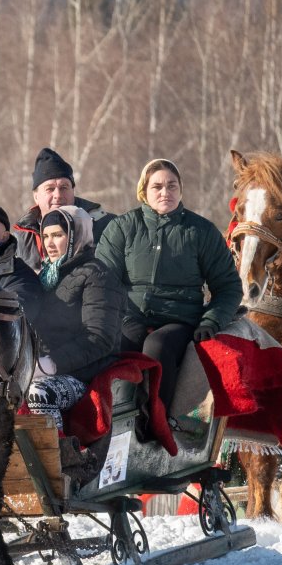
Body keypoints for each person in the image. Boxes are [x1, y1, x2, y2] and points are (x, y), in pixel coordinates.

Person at [95, 158, 242, 414]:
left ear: (181, 190)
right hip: (130, 315)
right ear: (144, 191)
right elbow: (103, 281)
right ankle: (107, 420)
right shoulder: (122, 227)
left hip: (179, 319)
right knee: (115, 342)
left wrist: (211, 321)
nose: (166, 193)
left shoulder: (201, 232)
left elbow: (228, 286)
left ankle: (155, 421)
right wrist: (118, 317)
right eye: (158, 187)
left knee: (157, 345)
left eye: (172, 186)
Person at [25, 205, 124, 430]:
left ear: (76, 235)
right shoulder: (45, 277)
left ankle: (60, 458)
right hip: (42, 368)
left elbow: (100, 337)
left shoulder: (98, 276)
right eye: (46, 236)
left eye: (58, 235)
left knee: (38, 393)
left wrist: (51, 364)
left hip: (85, 373)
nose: (50, 243)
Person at [12, 147, 112, 272]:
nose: (58, 195)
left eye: (64, 187)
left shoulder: (107, 226)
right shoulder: (21, 238)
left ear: (73, 191)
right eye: (50, 189)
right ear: (36, 196)